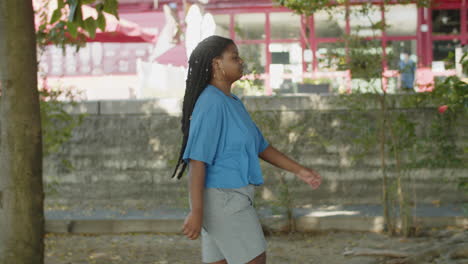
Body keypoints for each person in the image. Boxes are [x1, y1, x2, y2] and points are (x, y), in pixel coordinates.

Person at [171, 35, 322, 264]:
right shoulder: (211, 102)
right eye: (234, 57)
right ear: (216, 64)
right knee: (255, 259)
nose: (241, 61)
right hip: (224, 200)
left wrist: (301, 171)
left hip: (228, 200)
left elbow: (261, 146)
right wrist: (196, 211)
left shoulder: (231, 101)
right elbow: (197, 160)